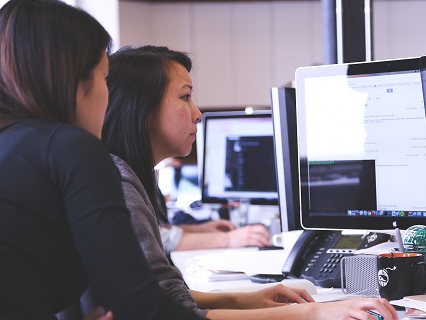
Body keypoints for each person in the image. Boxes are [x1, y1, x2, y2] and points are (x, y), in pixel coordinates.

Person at [101, 45, 398, 320]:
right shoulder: (118, 184)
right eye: (185, 97)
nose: (197, 114)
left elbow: (164, 298)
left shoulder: (125, 177)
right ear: (141, 108)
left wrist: (246, 299)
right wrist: (313, 313)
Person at [0, 1, 207, 319]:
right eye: (103, 78)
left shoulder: (11, 146)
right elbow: (143, 308)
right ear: (74, 81)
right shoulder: (70, 148)